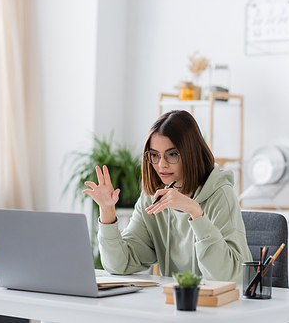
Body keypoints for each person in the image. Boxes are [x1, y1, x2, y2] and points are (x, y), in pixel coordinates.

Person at [82, 110, 252, 282]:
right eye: (154, 155)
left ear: (190, 153)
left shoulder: (221, 194)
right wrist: (107, 210)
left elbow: (230, 277)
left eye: (172, 154)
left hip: (218, 305)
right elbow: (119, 265)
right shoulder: (152, 197)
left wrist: (195, 211)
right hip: (173, 303)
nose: (161, 165)